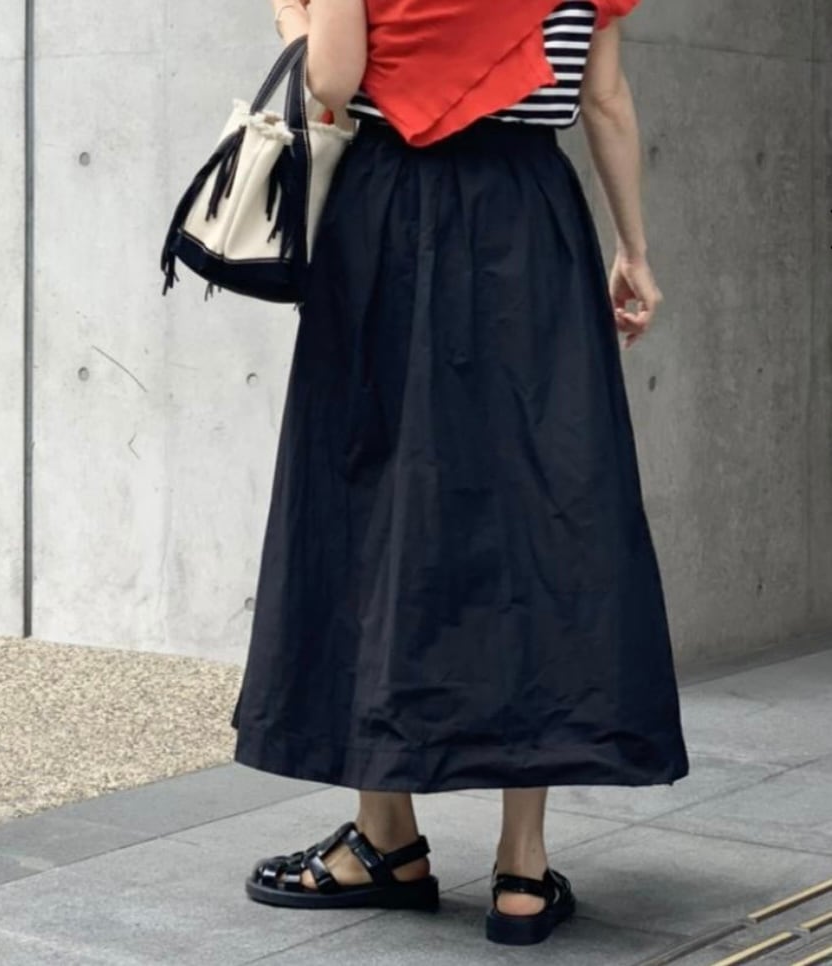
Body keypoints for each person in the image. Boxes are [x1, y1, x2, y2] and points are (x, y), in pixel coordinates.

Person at [230, 0, 690, 946]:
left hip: (388, 217)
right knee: (543, 510)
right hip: (531, 222)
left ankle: (387, 838)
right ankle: (522, 868)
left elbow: (331, 81)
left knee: (371, 502)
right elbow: (603, 99)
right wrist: (634, 249)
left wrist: (291, 12)